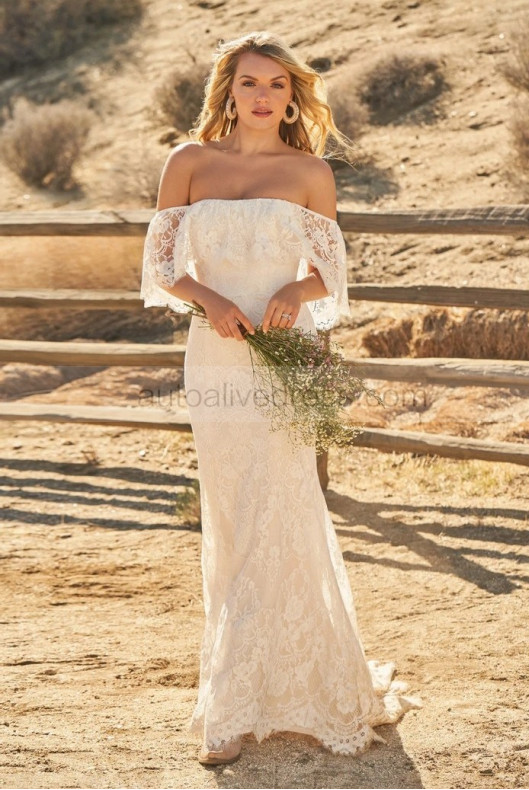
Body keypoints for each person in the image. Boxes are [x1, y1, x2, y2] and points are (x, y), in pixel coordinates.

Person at [141, 30, 422, 765]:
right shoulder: (189, 162)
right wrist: (207, 298)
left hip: (279, 359)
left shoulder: (310, 173)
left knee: (283, 503)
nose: (262, 96)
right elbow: (161, 264)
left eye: (275, 85)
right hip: (216, 360)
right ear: (227, 93)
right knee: (232, 511)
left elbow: (330, 274)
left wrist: (296, 289)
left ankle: (263, 699)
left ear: (292, 95)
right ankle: (235, 701)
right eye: (248, 84)